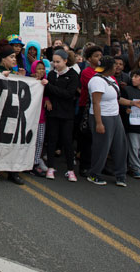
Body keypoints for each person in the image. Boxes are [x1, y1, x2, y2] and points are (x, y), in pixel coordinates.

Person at [87, 56, 140, 186]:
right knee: (102, 147)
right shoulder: (97, 81)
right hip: (102, 117)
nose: (117, 68)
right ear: (108, 67)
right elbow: (96, 103)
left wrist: (133, 103)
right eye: (115, 66)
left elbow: (117, 99)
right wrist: (99, 123)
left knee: (120, 146)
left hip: (115, 116)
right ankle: (94, 174)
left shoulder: (111, 80)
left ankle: (120, 175)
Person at [0, 40, 25, 185]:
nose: (14, 59)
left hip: (13, 113)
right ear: (3, 59)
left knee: (13, 141)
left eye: (15, 57)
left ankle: (13, 171)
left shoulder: (15, 73)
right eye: (11, 57)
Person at [44, 50, 80, 181]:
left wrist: (50, 87)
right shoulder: (52, 74)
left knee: (67, 141)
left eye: (58, 62)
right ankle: (50, 167)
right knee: (52, 140)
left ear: (65, 61)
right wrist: (47, 99)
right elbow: (46, 91)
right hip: (53, 113)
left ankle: (70, 170)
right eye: (54, 62)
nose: (55, 64)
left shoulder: (73, 75)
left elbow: (68, 94)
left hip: (66, 114)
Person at [77, 45, 103, 176]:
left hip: (102, 108)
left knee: (99, 138)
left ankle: (98, 164)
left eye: (100, 55)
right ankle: (85, 165)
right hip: (87, 107)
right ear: (89, 59)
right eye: (96, 56)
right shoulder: (87, 72)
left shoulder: (102, 70)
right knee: (87, 137)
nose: (99, 58)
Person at [31, 60, 49, 177]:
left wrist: (47, 98)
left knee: (39, 140)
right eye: (38, 68)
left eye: (43, 68)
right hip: (30, 118)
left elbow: (48, 94)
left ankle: (36, 161)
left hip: (41, 117)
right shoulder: (30, 81)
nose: (41, 71)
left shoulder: (46, 83)